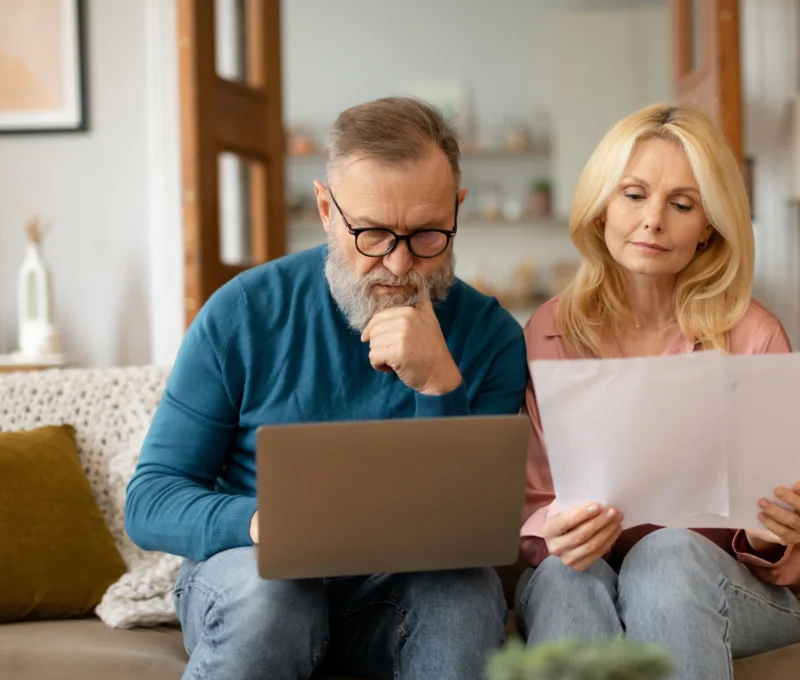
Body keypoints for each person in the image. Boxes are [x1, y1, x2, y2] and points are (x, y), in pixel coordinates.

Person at [125, 97, 528, 680]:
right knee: (275, 596)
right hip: (254, 579)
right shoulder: (243, 313)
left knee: (465, 598)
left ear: (457, 209)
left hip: (398, 593)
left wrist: (439, 385)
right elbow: (150, 500)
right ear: (324, 209)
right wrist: (263, 522)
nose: (397, 264)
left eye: (427, 235)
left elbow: (468, 538)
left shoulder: (490, 335)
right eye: (371, 234)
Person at [516, 104, 800, 679]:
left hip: (720, 584)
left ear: (708, 225)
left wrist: (770, 533)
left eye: (681, 205)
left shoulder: (754, 335)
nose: (653, 220)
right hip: (584, 574)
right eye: (633, 195)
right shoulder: (549, 330)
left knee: (666, 555)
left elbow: (794, 551)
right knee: (565, 575)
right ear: (603, 203)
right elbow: (535, 505)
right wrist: (553, 530)